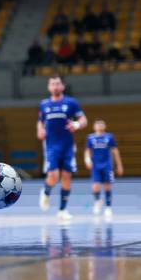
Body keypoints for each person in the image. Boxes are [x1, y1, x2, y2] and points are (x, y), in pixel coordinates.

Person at [37, 75, 87, 222]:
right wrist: (39, 130)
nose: (55, 86)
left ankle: (63, 210)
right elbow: (40, 122)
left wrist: (76, 125)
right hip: (51, 146)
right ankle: (46, 192)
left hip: (67, 146)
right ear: (48, 87)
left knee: (66, 176)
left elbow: (84, 120)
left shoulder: (71, 103)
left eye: (58, 84)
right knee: (53, 176)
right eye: (52, 84)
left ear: (63, 86)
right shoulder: (44, 104)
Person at [84, 119, 123, 219]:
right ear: (94, 126)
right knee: (95, 186)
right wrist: (87, 160)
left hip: (107, 165)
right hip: (96, 166)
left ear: (105, 126)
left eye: (102, 123)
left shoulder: (109, 137)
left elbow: (115, 151)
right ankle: (97, 201)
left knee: (107, 186)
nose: (100, 125)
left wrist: (119, 165)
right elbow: (87, 151)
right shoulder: (90, 138)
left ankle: (108, 207)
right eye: (97, 123)